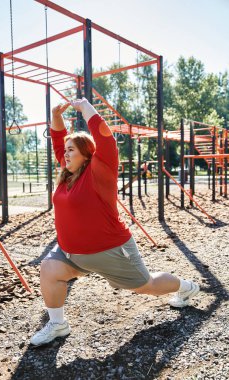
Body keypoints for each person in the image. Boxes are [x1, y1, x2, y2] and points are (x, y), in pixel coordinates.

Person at [30, 98, 199, 346]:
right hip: (73, 254)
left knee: (146, 285)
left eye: (71, 150)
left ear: (87, 155)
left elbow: (105, 138)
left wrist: (85, 106)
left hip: (111, 251)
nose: (64, 154)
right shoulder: (68, 174)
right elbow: (58, 140)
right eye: (64, 151)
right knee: (49, 269)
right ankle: (57, 324)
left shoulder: (100, 171)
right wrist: (56, 115)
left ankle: (186, 286)